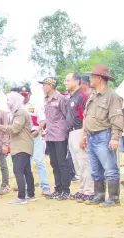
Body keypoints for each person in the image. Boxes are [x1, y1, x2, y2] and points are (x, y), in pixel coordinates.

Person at [82, 64, 123, 207]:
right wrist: (85, 134)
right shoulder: (93, 95)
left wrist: (115, 138)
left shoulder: (112, 96)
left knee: (110, 168)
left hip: (104, 136)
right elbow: (88, 116)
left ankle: (114, 197)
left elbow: (117, 118)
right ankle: (99, 195)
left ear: (99, 78)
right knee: (95, 169)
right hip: (92, 136)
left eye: (92, 76)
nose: (90, 79)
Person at [0, 92, 35, 204]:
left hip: (22, 146)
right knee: (26, 171)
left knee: (18, 170)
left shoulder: (20, 112)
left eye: (9, 100)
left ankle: (22, 197)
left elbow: (15, 129)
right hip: (22, 145)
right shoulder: (16, 112)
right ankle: (30, 194)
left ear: (15, 100)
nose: (7, 102)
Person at [39, 77, 71, 200]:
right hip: (50, 135)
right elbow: (49, 118)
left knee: (62, 162)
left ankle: (66, 190)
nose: (42, 87)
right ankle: (58, 189)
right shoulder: (46, 99)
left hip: (60, 134)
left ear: (51, 86)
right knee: (54, 162)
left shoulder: (61, 99)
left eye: (44, 85)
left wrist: (65, 132)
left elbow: (66, 116)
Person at [64, 73, 94, 203]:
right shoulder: (71, 97)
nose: (65, 83)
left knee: (84, 161)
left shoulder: (81, 96)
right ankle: (82, 189)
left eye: (68, 80)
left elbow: (84, 117)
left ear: (77, 81)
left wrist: (84, 134)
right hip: (71, 132)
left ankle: (89, 190)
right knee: (77, 163)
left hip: (79, 130)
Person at [19, 86, 51, 196]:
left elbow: (42, 120)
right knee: (24, 164)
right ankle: (27, 188)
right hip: (23, 139)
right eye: (21, 94)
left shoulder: (35, 105)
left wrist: (38, 129)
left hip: (34, 136)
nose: (23, 96)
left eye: (25, 94)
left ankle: (45, 187)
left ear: (30, 94)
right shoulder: (17, 107)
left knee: (39, 161)